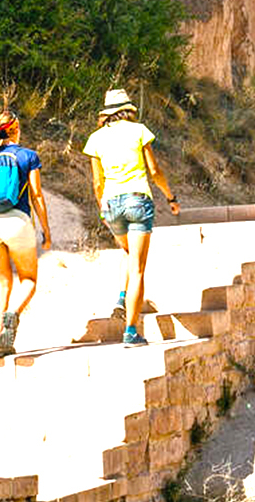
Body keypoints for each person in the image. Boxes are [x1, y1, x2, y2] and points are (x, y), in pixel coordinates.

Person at [82, 89, 180, 347]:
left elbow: (96, 182)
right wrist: (170, 197)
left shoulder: (95, 138)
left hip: (111, 203)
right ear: (128, 110)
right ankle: (131, 332)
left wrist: (102, 208)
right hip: (138, 199)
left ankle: (121, 297)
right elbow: (155, 170)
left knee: (126, 251)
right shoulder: (139, 130)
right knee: (138, 268)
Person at [0, 110, 52, 358]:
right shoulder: (28, 156)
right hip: (16, 222)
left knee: (2, 284)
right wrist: (46, 232)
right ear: (16, 129)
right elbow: (37, 195)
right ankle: (13, 314)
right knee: (28, 279)